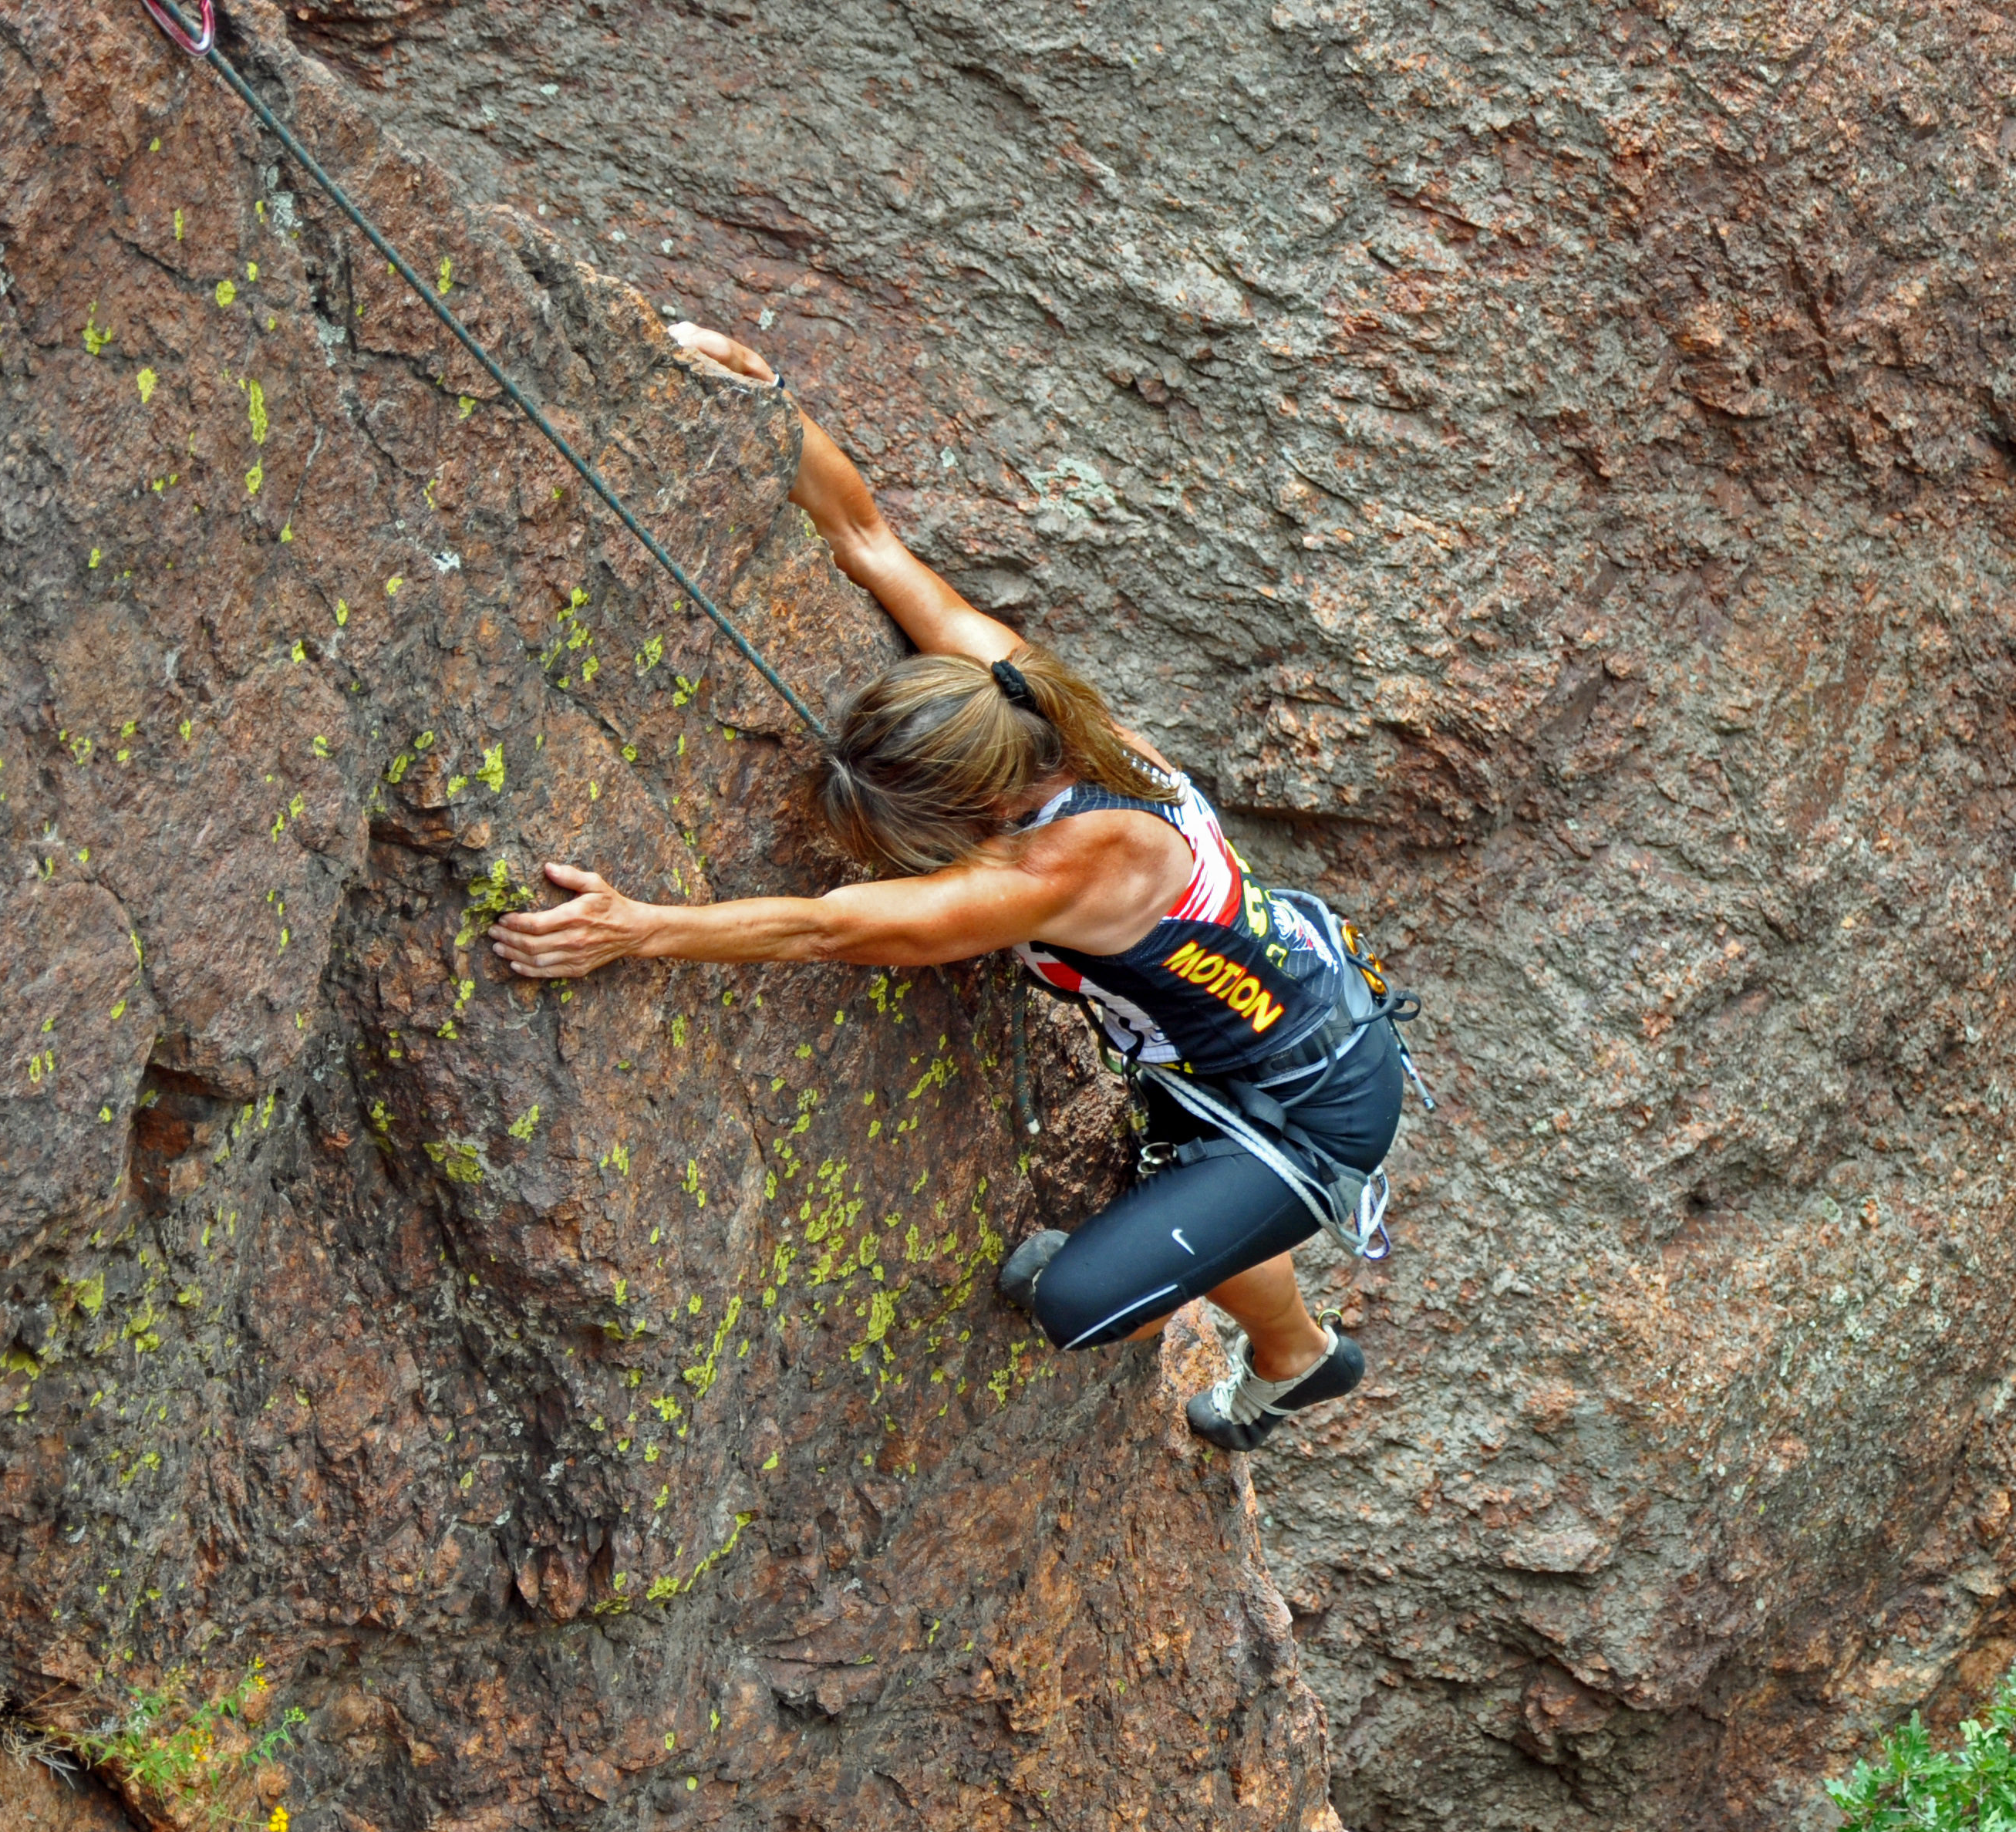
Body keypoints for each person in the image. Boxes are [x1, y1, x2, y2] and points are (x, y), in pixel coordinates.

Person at [491, 322, 1407, 1454]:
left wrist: (638, 930)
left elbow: (834, 931)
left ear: (973, 817)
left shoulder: (1050, 868)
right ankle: (1299, 1350)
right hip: (1262, 1023)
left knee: (1074, 1299)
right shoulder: (1018, 700)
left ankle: (1256, 1292)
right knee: (1197, 1190)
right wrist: (771, 407)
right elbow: (865, 535)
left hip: (1313, 1101)